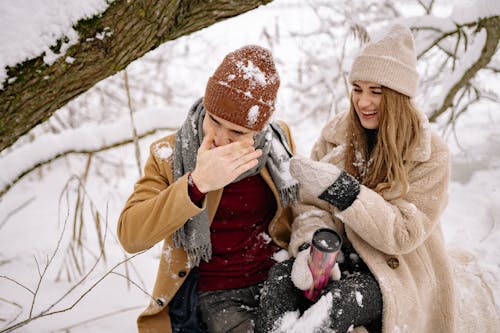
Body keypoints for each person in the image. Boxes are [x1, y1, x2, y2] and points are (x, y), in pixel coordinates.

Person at [256, 24, 457, 333]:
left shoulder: (429, 153)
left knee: (342, 302)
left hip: (397, 270)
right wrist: (314, 245)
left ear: (398, 96)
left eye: (376, 92)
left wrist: (348, 194)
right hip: (339, 256)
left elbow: (404, 233)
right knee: (280, 282)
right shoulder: (336, 136)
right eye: (357, 89)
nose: (364, 102)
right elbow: (311, 207)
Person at [117, 45, 298, 333]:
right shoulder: (169, 154)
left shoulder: (277, 142)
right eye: (213, 120)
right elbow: (131, 235)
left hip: (278, 276)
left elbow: (300, 210)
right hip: (218, 293)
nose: (220, 139)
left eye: (237, 132)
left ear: (260, 129)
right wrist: (196, 184)